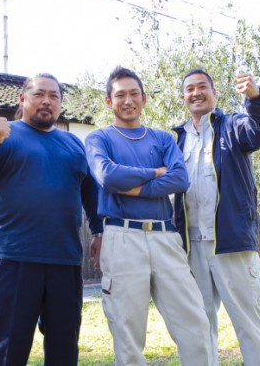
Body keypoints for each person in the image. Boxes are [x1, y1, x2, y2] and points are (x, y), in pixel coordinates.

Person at [0, 73, 102, 366]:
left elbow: (91, 194)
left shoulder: (74, 145)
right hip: (12, 258)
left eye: (54, 96)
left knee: (64, 348)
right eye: (39, 94)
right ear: (22, 99)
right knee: (8, 349)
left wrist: (99, 232)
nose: (47, 101)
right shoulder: (5, 135)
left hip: (63, 260)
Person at [85, 66, 213, 366]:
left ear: (144, 98)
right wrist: (155, 173)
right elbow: (108, 176)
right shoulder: (98, 139)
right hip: (122, 238)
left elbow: (180, 179)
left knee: (195, 322)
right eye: (120, 95)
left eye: (133, 94)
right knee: (127, 331)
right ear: (108, 102)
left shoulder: (163, 139)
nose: (127, 101)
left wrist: (132, 188)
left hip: (166, 238)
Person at [173, 69, 260, 365]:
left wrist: (256, 98)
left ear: (214, 92)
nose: (196, 93)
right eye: (189, 89)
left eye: (202, 87)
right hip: (192, 249)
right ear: (183, 97)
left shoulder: (233, 127)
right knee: (198, 326)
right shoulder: (177, 140)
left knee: (249, 323)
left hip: (230, 246)